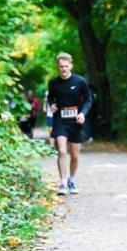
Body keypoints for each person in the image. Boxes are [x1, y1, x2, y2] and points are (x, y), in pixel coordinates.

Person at [47, 53, 92, 195]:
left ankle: (72, 179)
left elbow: (88, 100)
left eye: (66, 66)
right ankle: (63, 182)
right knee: (61, 151)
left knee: (75, 155)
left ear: (71, 65)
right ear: (58, 67)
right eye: (61, 66)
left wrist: (83, 113)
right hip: (60, 121)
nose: (64, 69)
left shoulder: (80, 81)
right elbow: (50, 97)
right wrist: (52, 104)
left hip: (76, 122)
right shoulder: (53, 83)